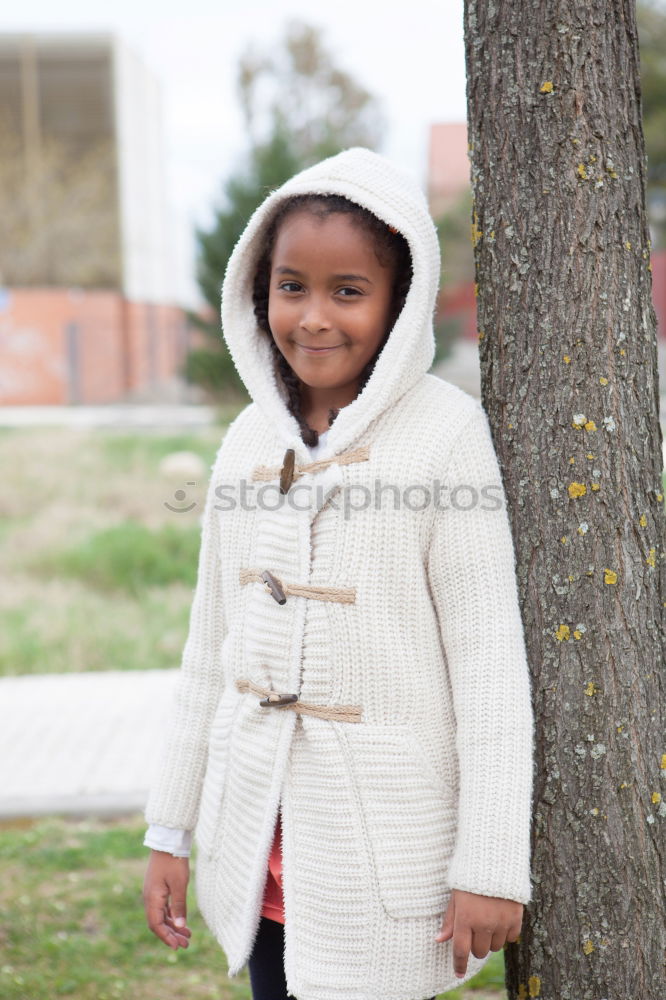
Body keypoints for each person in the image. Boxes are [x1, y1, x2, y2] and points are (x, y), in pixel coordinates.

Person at [142, 146, 535, 1000]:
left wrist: (494, 863)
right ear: (258, 289)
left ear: (401, 303)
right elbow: (208, 649)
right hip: (260, 862)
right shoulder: (247, 441)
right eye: (292, 286)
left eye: (347, 291)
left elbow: (490, 666)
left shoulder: (444, 436)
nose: (314, 317)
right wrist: (169, 830)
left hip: (380, 861)